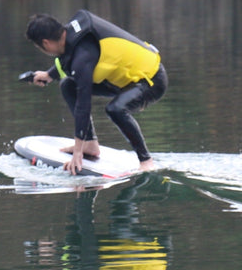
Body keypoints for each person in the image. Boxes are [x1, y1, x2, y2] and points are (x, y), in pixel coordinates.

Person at [24, 10, 168, 175]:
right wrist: (49, 75)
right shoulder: (73, 32)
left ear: (46, 43)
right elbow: (68, 58)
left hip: (152, 80)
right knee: (67, 85)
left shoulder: (82, 57)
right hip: (125, 81)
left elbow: (83, 105)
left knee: (116, 109)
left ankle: (146, 161)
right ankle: (90, 145)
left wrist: (77, 153)